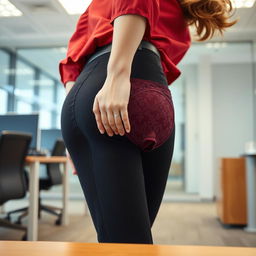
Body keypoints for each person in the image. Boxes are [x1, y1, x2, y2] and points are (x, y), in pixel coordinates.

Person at [59, 0, 238, 244]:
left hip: (109, 81)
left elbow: (72, 61)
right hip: (151, 91)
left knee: (123, 239)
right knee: (133, 236)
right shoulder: (176, 15)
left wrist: (118, 75)